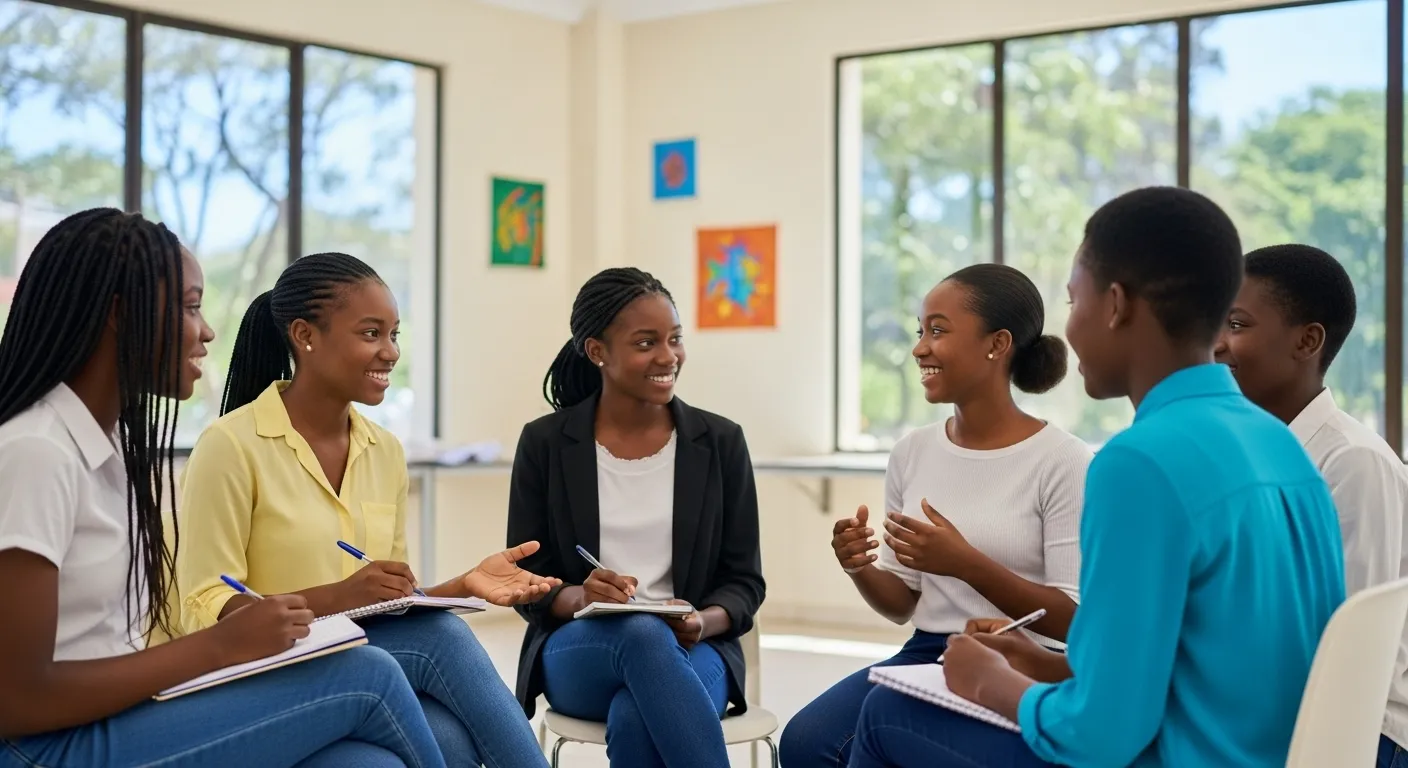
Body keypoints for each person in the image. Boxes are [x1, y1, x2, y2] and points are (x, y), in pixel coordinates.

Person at [847, 186, 1347, 768]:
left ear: (1115, 305)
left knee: (887, 715)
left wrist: (991, 681)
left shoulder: (1139, 462)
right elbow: (1198, 655)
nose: (1070, 329)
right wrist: (1043, 663)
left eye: (1072, 301)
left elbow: (1099, 737)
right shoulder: (1281, 445)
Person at [0, 209, 445, 767]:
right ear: (119, 314)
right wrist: (219, 645)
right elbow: (17, 702)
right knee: (369, 674)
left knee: (366, 762)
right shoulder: (37, 452)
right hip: (47, 747)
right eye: (190, 307)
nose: (208, 330)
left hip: (116, 715)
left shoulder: (105, 448)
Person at [172, 252, 555, 768]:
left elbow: (388, 606)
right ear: (305, 336)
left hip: (360, 658)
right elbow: (203, 604)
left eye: (395, 334)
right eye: (371, 333)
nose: (391, 351)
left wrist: (461, 585)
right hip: (259, 671)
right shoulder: (231, 445)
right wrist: (335, 597)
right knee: (442, 638)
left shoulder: (385, 451)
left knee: (451, 741)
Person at [780, 263, 1092, 767]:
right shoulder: (912, 452)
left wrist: (966, 562)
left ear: (997, 344)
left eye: (938, 330)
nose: (919, 347)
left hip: (1022, 660)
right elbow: (903, 602)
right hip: (927, 652)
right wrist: (859, 566)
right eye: (920, 331)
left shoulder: (1064, 461)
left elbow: (1072, 621)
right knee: (806, 741)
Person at [506, 267, 766, 767]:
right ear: (598, 351)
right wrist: (579, 596)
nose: (668, 357)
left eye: (674, 339)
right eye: (646, 342)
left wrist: (701, 620)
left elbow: (745, 581)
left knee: (634, 715)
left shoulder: (720, 443)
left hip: (696, 650)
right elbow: (524, 578)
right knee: (641, 634)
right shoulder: (545, 443)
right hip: (581, 651)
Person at [1215, 244, 1408, 768]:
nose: (1216, 345)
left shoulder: (1352, 462)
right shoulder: (1251, 456)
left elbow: (1349, 652)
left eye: (1236, 324)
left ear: (1308, 340)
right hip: (1279, 715)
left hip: (1359, 738)